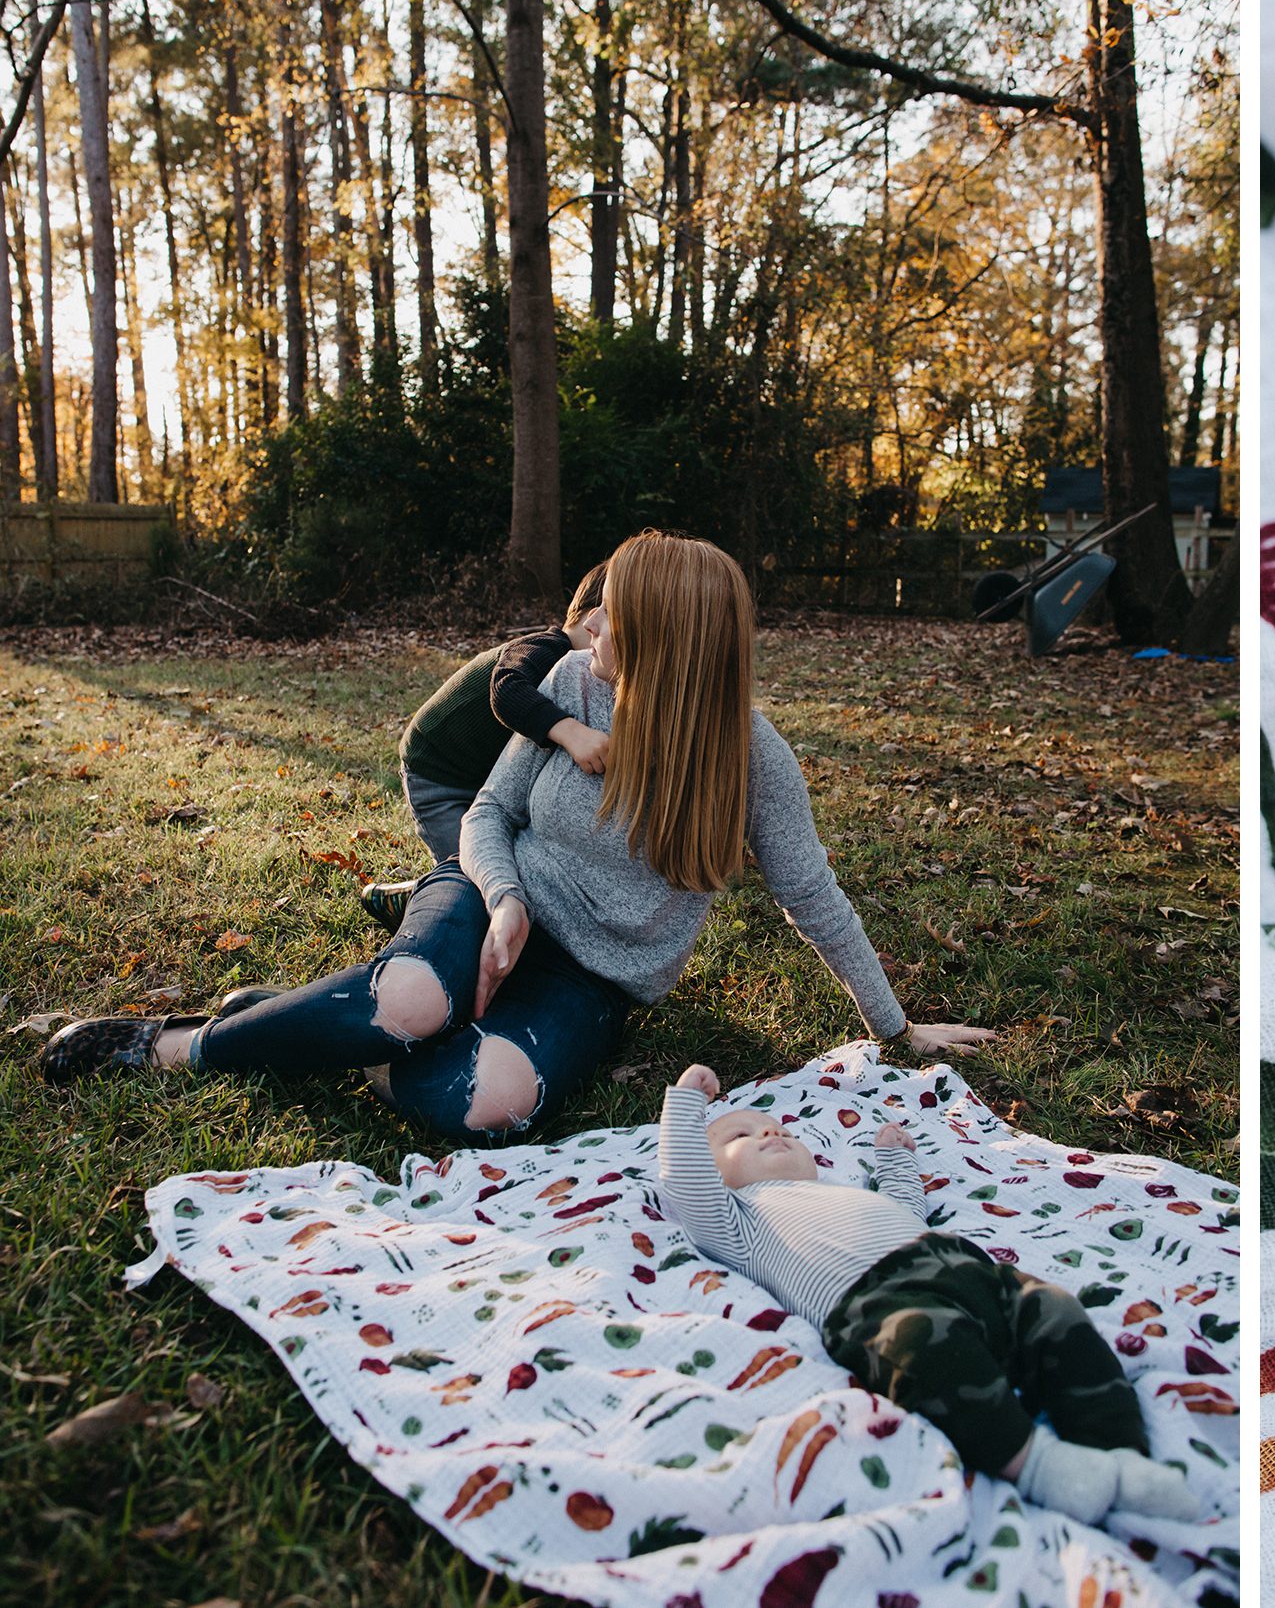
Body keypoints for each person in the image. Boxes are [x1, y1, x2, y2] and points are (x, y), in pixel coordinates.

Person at [40, 532, 993, 1136]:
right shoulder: (571, 688)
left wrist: (898, 1027)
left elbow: (811, 894)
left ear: (664, 640)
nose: (593, 627)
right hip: (494, 898)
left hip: (596, 979)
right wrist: (500, 902)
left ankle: (300, 1025)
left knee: (480, 1102)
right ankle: (173, 1042)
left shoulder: (750, 755)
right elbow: (489, 814)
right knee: (414, 997)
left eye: (613, 615)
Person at [657, 1061, 1200, 1526]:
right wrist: (684, 1102)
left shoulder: (835, 1191)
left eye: (779, 1129)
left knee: (1052, 1309)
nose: (770, 1133)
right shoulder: (738, 1219)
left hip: (967, 1270)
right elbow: (683, 1177)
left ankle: (1119, 1452)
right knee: (924, 1348)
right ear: (714, 1173)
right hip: (877, 1302)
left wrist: (895, 1162)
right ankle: (1039, 1465)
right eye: (739, 1137)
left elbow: (906, 1210)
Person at [370, 559, 616, 931]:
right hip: (439, 774)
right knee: (474, 878)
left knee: (516, 866)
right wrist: (571, 732)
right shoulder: (547, 649)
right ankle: (415, 901)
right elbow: (507, 689)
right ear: (588, 617)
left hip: (489, 777)